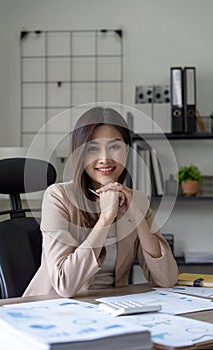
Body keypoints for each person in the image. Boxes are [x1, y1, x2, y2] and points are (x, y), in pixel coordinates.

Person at [23, 107, 178, 298]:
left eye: (115, 146)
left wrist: (138, 216)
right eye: (93, 148)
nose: (105, 159)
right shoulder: (58, 197)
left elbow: (167, 279)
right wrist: (105, 218)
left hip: (110, 308)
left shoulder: (137, 200)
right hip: (52, 308)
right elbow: (65, 285)